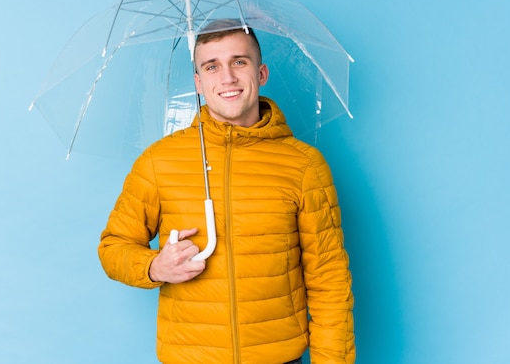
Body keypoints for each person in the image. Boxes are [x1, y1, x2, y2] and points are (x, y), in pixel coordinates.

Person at [98, 19, 355, 364]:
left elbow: (330, 282)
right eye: (212, 66)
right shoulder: (159, 161)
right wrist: (155, 267)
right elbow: (113, 248)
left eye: (239, 62)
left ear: (260, 73)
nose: (228, 78)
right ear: (198, 83)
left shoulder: (305, 165)